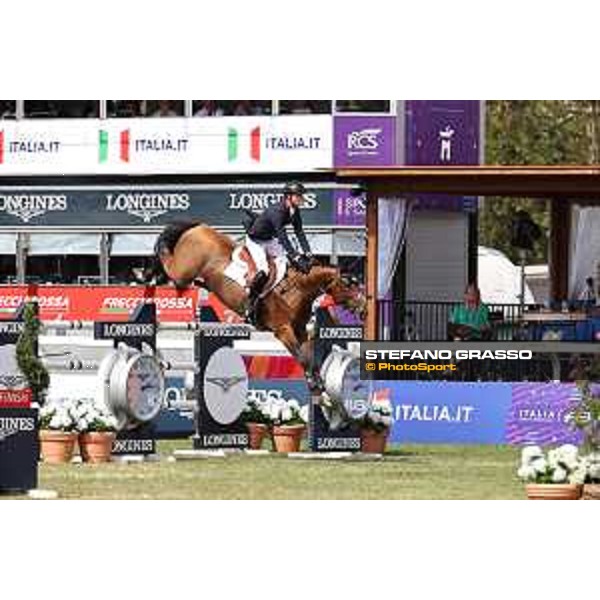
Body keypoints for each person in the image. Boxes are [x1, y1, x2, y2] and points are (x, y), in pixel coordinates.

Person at [244, 182, 313, 322]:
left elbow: (299, 232)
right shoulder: (277, 211)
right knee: (263, 270)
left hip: (269, 239)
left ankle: (280, 297)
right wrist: (296, 255)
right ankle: (250, 304)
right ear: (288, 197)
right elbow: (282, 236)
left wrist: (308, 252)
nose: (302, 198)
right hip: (256, 241)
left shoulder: (295, 211)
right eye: (298, 196)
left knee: (286, 265)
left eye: (301, 196)